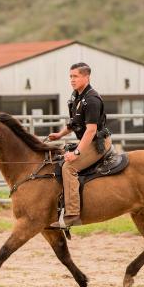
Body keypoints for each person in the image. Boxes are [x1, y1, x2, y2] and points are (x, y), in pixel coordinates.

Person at [47, 62, 112, 228]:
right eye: (70, 76)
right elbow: (74, 122)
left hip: (97, 143)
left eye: (75, 76)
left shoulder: (92, 100)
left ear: (86, 77)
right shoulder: (76, 95)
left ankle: (73, 214)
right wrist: (60, 134)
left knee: (69, 167)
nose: (72, 80)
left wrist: (76, 153)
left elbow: (90, 131)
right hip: (86, 140)